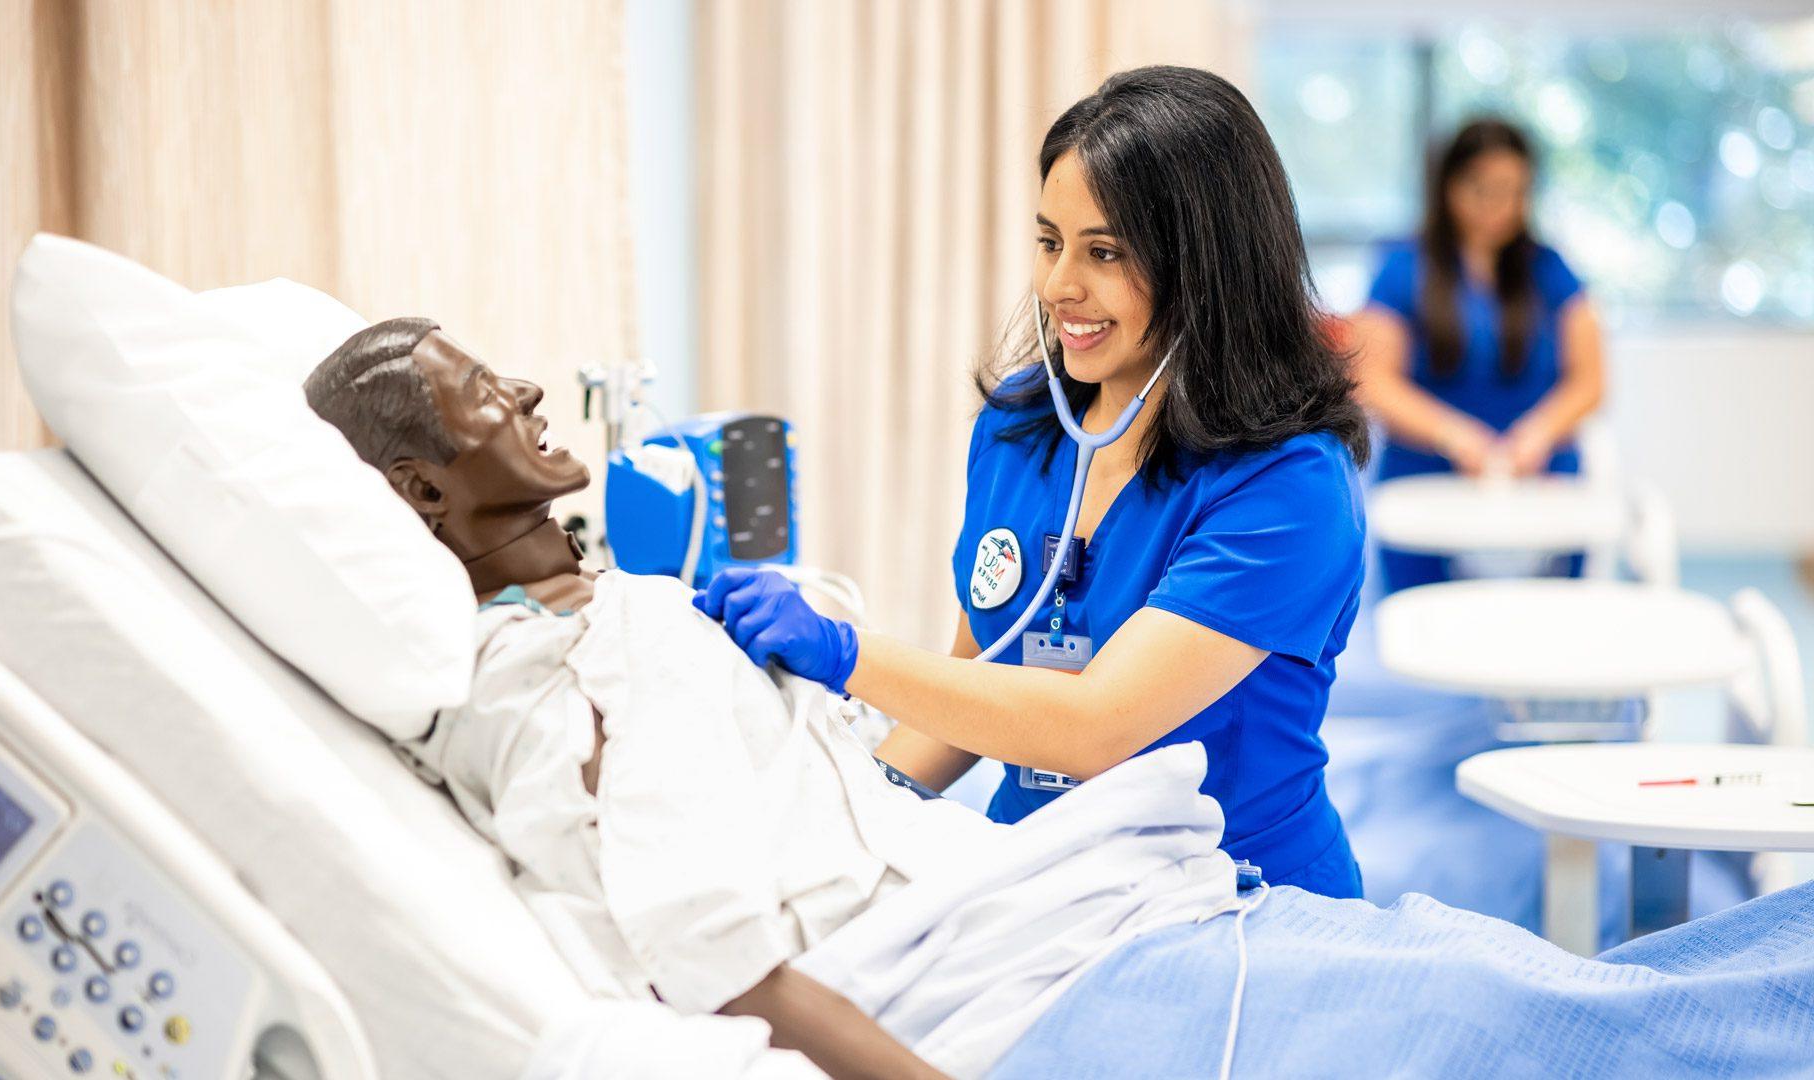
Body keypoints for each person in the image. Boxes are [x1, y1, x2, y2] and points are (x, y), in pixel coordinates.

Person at [302, 319, 1248, 1079]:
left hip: (1062, 901)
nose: (529, 391)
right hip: (1008, 967)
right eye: (482, 393)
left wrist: (832, 673)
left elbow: (835, 783)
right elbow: (710, 949)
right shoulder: (557, 670)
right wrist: (842, 660)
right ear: (423, 488)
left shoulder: (640, 605)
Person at [692, 66, 1372, 899]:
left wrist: (843, 653)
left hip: (1233, 904)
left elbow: (1094, 727)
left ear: (1208, 267)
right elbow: (984, 677)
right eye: (1050, 242)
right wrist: (851, 817)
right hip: (1037, 887)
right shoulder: (1021, 428)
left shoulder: (1288, 486)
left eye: (1105, 252)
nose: (1059, 287)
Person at [1348, 118, 1606, 592]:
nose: (1499, 208)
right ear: (1449, 185)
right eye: (1484, 190)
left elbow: (1590, 382)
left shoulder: (1550, 270)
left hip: (1538, 480)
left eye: (1513, 191)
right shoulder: (1402, 269)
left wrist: (1537, 433)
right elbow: (1372, 379)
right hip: (1426, 480)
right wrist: (1455, 435)